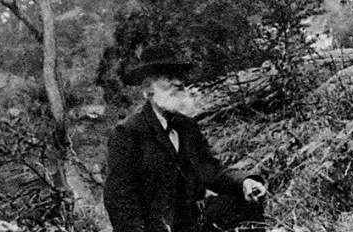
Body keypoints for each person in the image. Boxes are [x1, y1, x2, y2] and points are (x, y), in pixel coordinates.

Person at [104, 44, 268, 232]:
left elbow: (212, 172)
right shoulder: (128, 132)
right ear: (148, 88)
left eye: (179, 76)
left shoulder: (187, 126)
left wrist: (245, 181)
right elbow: (119, 200)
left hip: (192, 225)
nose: (178, 82)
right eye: (168, 77)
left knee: (245, 201)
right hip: (154, 229)